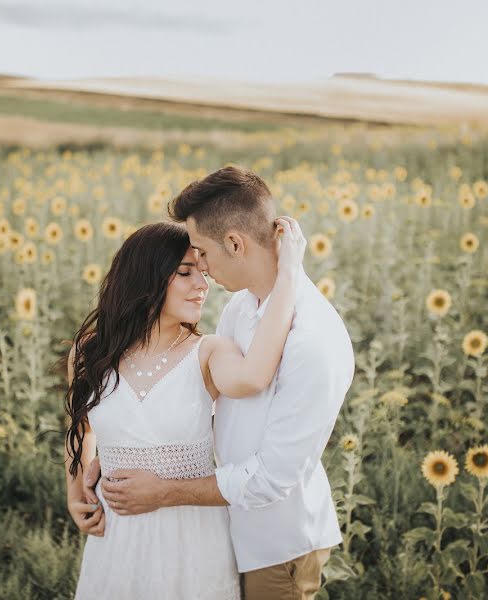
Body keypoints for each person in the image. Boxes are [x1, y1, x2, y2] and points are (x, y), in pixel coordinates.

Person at [86, 165, 356, 600]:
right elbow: (192, 393)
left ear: (234, 243)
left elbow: (270, 478)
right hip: (223, 530)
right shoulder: (242, 308)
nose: (204, 274)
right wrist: (120, 450)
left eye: (202, 255)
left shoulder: (314, 341)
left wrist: (162, 491)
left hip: (275, 545)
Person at [62, 216, 307, 599]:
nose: (202, 285)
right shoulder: (92, 351)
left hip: (191, 540)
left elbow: (254, 376)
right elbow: (82, 425)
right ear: (147, 277)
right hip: (117, 540)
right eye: (185, 272)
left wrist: (289, 274)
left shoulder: (209, 352)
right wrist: (75, 490)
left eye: (202, 271)